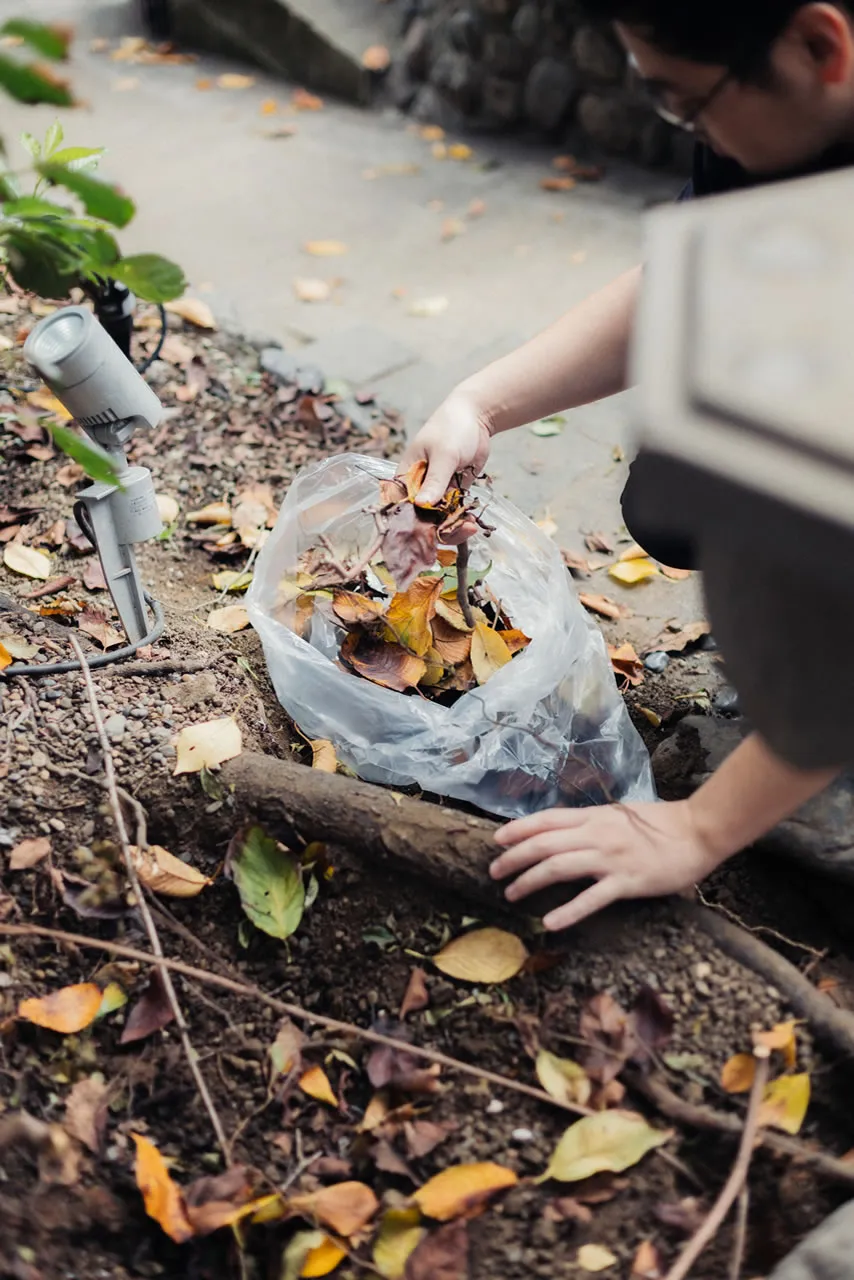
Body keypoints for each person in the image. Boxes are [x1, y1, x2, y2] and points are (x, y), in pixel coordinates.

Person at [400, 0, 854, 932]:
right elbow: (690, 278)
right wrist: (479, 402)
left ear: (818, 46)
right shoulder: (776, 131)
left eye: (688, 101)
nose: (690, 130)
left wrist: (699, 827)